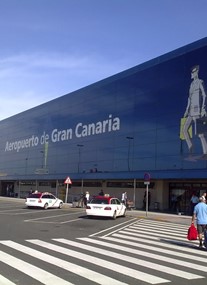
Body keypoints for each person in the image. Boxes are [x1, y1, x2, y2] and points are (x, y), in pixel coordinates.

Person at [183, 65, 207, 155]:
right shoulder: (191, 84)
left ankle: (205, 153)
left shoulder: (200, 82)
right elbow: (189, 98)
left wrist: (203, 109)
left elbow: (204, 95)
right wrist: (186, 110)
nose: (191, 74)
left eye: (193, 72)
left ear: (196, 72)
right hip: (190, 111)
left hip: (197, 111)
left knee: (200, 134)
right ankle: (190, 147)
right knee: (185, 130)